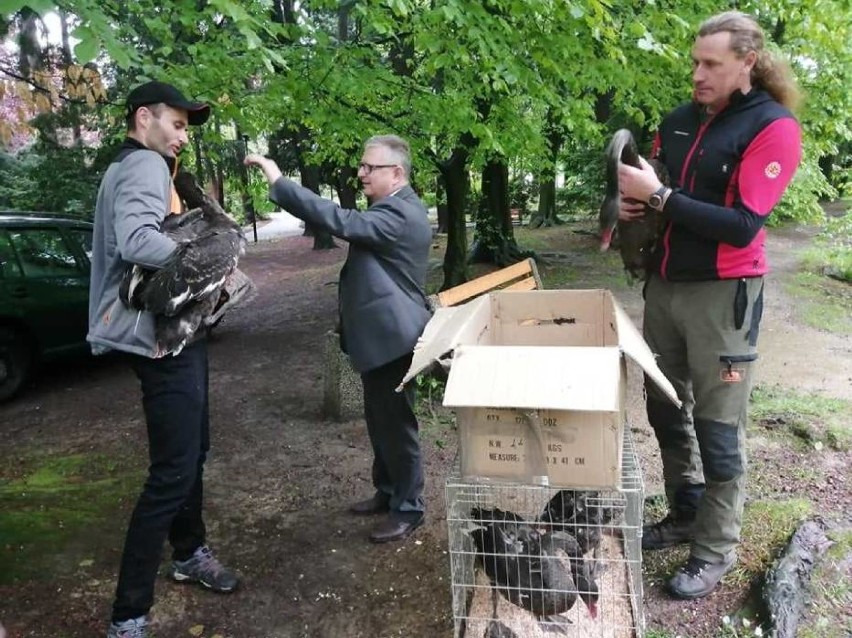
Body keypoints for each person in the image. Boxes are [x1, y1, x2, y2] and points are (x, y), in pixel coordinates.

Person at [617, 11, 802, 599]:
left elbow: (744, 226)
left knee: (718, 428)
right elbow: (657, 196)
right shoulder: (676, 122)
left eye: (711, 64)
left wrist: (662, 197)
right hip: (665, 288)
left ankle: (715, 548)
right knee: (665, 406)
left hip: (725, 296)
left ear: (747, 63)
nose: (697, 74)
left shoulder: (772, 127)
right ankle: (685, 512)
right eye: (695, 62)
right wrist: (635, 207)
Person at [88, 81, 238, 638]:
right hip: (157, 338)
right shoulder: (144, 165)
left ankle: (189, 551)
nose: (181, 137)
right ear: (143, 117)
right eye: (175, 125)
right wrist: (209, 259)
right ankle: (128, 615)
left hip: (177, 334)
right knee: (171, 471)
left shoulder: (140, 166)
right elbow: (136, 241)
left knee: (192, 451)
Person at [245, 135, 432, 544]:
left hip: (395, 340)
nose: (361, 172)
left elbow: (340, 220)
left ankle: (409, 508)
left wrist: (279, 181)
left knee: (397, 425)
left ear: (397, 173)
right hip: (381, 338)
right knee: (380, 420)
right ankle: (387, 491)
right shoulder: (391, 208)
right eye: (362, 165)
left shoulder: (400, 214)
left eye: (371, 167)